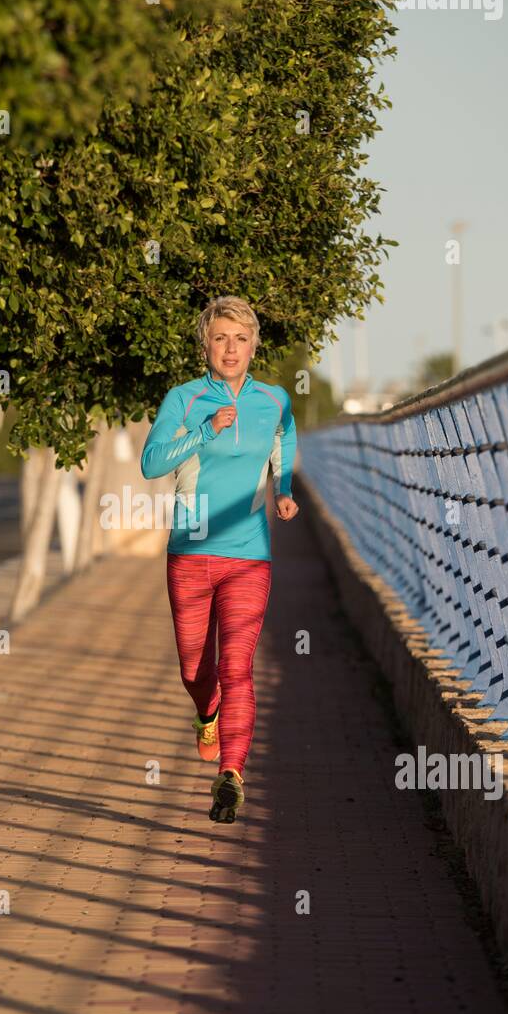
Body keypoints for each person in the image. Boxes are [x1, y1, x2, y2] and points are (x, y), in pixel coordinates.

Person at [140, 295, 299, 824]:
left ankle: (231, 774)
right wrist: (204, 431)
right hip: (189, 552)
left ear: (255, 344)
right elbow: (151, 462)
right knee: (193, 666)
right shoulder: (183, 399)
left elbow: (287, 435)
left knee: (238, 668)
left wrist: (284, 486)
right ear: (204, 345)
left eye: (241, 338)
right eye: (220, 338)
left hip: (249, 555)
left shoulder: (274, 399)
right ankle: (206, 713)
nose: (231, 349)